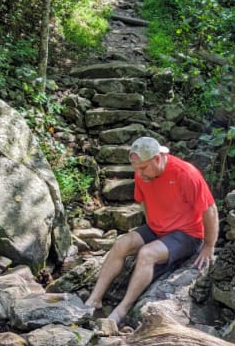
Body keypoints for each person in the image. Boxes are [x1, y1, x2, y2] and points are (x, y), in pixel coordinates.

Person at [86, 136, 219, 325]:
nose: (139, 173)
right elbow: (144, 203)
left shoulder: (186, 173)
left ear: (158, 158)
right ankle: (94, 300)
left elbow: (210, 209)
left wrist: (209, 245)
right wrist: (152, 227)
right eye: (136, 169)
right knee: (122, 243)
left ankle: (122, 309)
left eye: (143, 168)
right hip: (158, 228)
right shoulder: (143, 174)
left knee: (147, 253)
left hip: (187, 234)